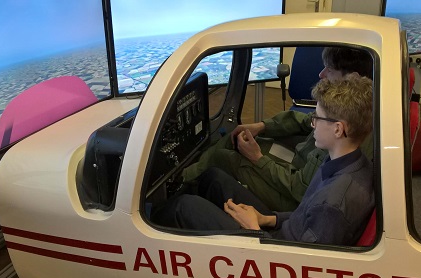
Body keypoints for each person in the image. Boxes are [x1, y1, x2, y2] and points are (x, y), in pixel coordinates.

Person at [155, 74, 374, 246]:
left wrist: (253, 228)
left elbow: (297, 265)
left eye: (317, 117)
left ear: (338, 129)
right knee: (213, 178)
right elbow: (303, 213)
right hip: (278, 230)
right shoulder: (341, 162)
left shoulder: (333, 205)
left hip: (273, 247)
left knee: (183, 207)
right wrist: (267, 219)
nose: (313, 123)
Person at [181, 47, 373, 212]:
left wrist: (258, 159)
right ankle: (190, 176)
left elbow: (299, 189)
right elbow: (304, 120)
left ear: (352, 78)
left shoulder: (343, 130)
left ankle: (181, 187)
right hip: (297, 163)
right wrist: (262, 126)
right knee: (239, 136)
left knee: (223, 158)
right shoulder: (353, 108)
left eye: (329, 70)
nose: (321, 74)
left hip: (294, 196)